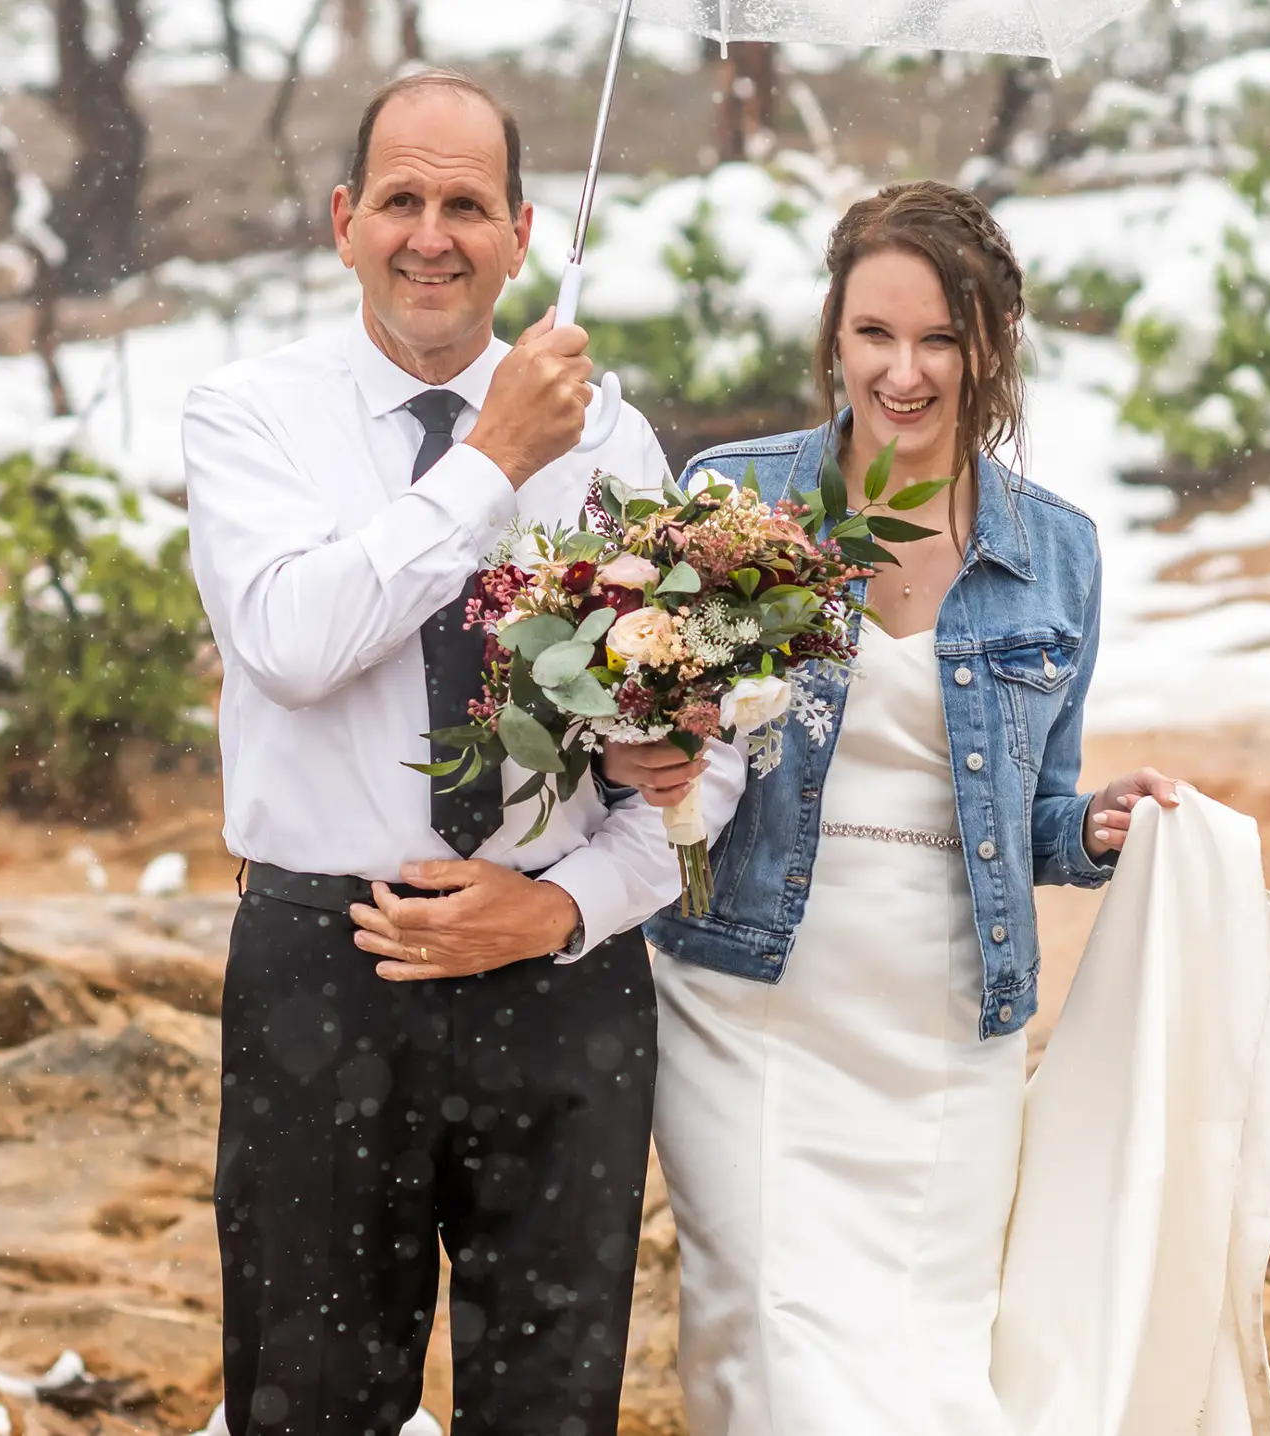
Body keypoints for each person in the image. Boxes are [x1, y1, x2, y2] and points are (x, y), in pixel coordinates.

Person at [181, 69, 738, 1436]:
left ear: (525, 230)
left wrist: (562, 906)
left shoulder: (616, 442)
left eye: (468, 204)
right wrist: (494, 460)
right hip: (328, 974)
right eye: (403, 199)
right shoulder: (250, 418)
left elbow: (707, 756)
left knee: (552, 1406)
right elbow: (295, 641)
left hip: (564, 995)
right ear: (343, 219)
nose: (433, 233)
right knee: (309, 1405)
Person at [605, 180, 1186, 1436]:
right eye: (874, 333)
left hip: (943, 1013)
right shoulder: (733, 500)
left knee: (928, 1359)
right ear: (833, 336)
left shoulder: (1057, 551)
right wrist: (645, 747)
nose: (904, 372)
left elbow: (1031, 813)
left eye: (939, 338)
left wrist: (1088, 831)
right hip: (748, 995)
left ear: (993, 345)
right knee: (764, 1334)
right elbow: (644, 731)